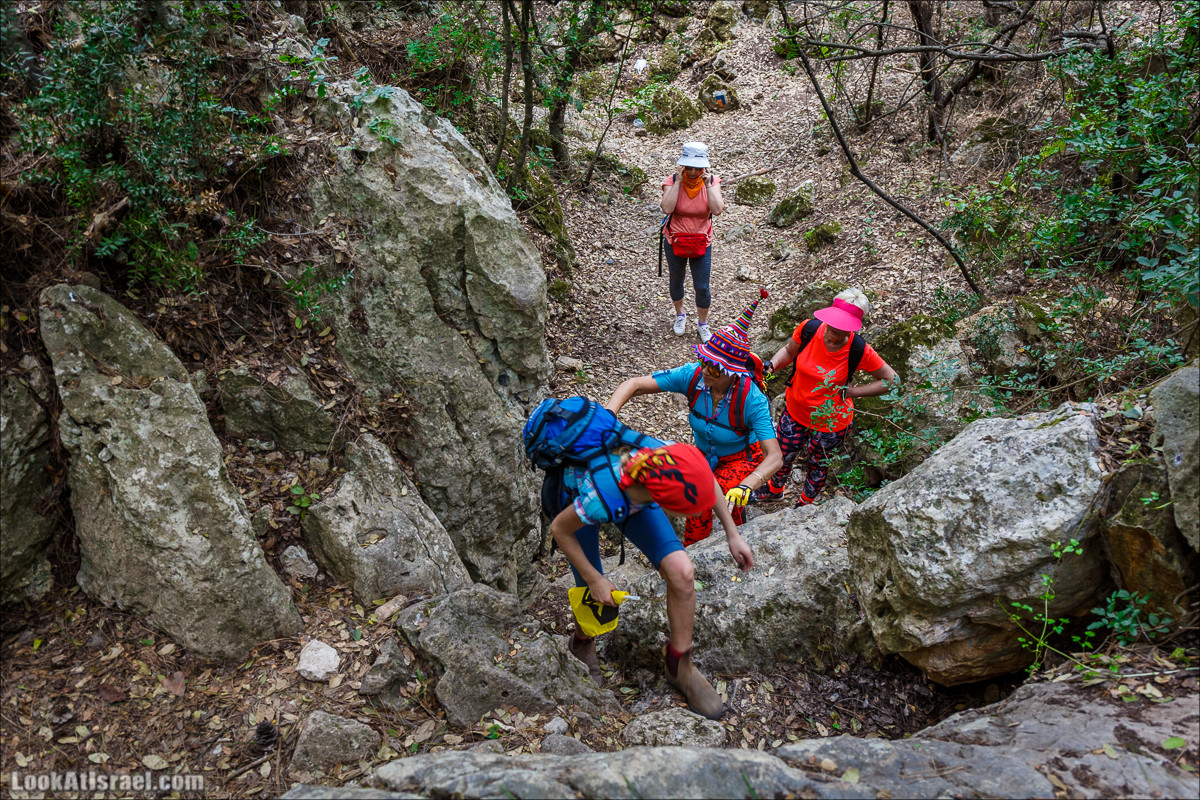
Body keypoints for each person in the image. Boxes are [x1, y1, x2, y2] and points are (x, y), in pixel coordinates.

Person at [550, 440, 753, 720]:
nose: (697, 515)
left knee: (682, 572)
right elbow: (560, 529)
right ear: (664, 501)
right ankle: (582, 641)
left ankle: (679, 663)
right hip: (577, 494)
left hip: (634, 494)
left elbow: (706, 480)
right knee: (590, 592)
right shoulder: (600, 498)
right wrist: (595, 579)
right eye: (690, 511)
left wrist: (732, 534)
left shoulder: (668, 460)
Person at [606, 292, 783, 546]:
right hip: (704, 454)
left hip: (742, 457)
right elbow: (634, 385)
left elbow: (774, 456)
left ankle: (734, 538)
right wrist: (608, 416)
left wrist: (748, 484)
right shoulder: (693, 375)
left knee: (722, 493)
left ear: (733, 372)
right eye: (704, 360)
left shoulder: (752, 399)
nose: (706, 370)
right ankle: (694, 551)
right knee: (696, 501)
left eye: (715, 368)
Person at [752, 289, 898, 507]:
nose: (831, 334)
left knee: (818, 464)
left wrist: (852, 392)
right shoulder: (809, 329)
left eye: (839, 331)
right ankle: (774, 490)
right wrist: (771, 366)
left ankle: (805, 503)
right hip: (795, 410)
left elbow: (892, 380)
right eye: (830, 325)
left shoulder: (858, 349)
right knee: (782, 454)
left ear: (852, 328)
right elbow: (789, 351)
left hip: (831, 421)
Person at [661, 142, 725, 343]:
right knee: (676, 280)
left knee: (702, 286)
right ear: (683, 166)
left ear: (704, 167)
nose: (693, 172)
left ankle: (703, 323)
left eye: (697, 168)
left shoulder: (712, 181)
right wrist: (678, 183)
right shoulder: (672, 180)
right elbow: (667, 208)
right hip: (675, 239)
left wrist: (708, 186)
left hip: (702, 241)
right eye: (689, 167)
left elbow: (717, 210)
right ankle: (680, 315)